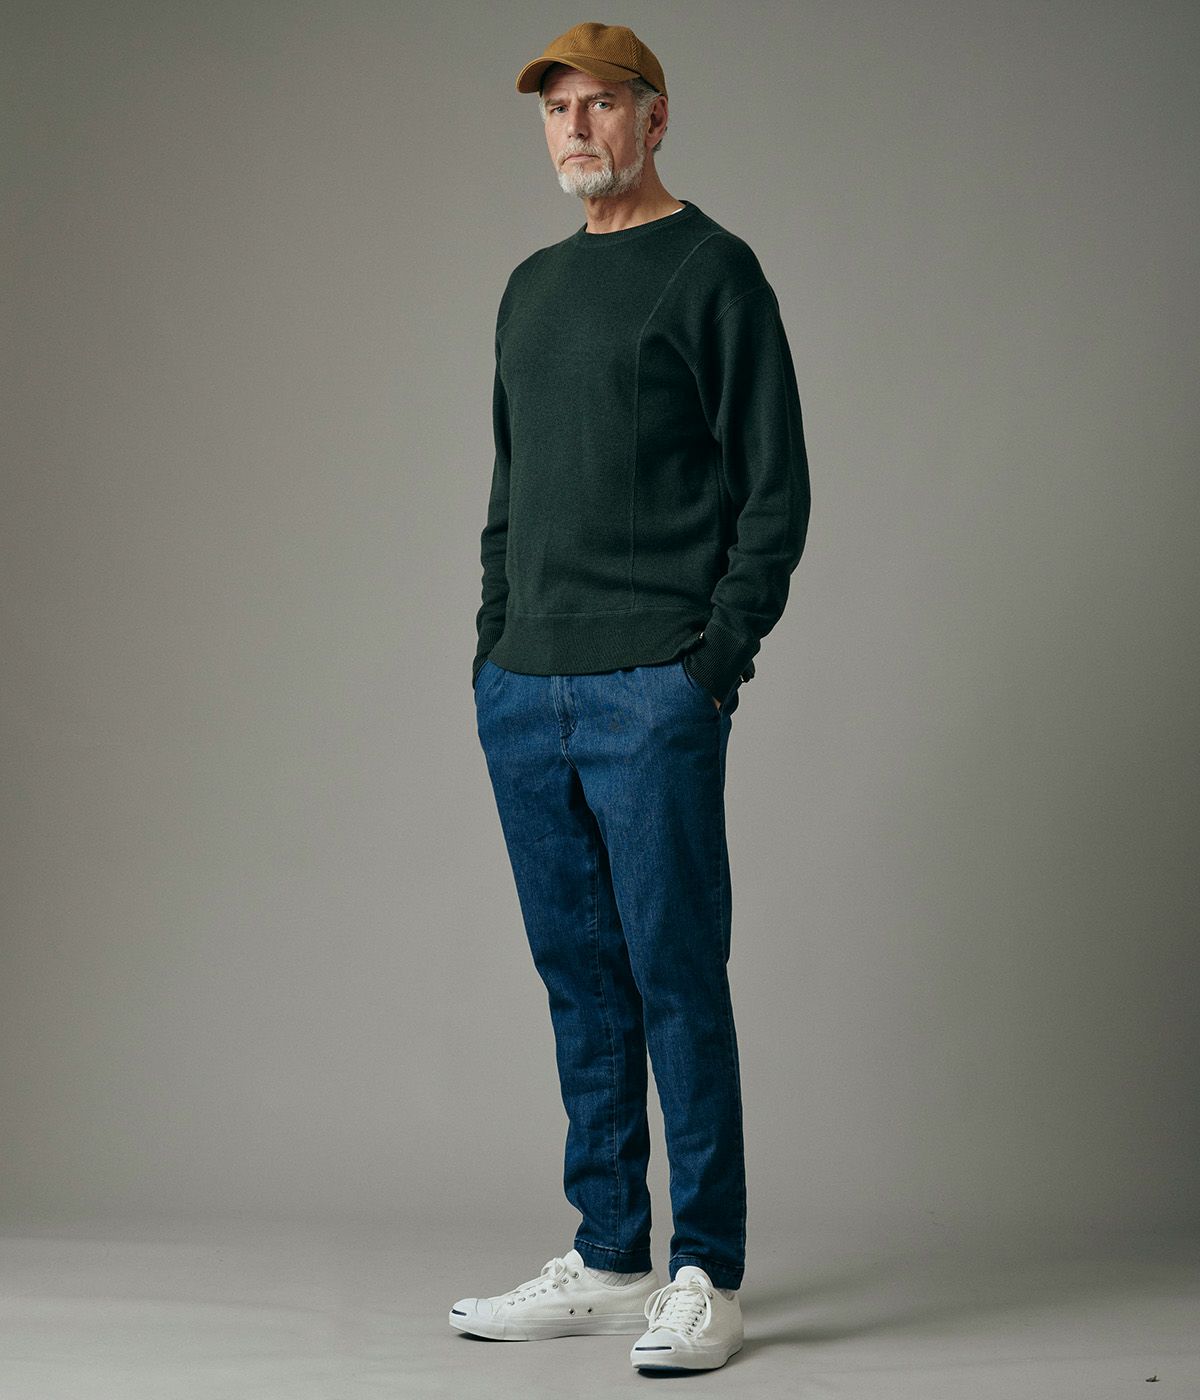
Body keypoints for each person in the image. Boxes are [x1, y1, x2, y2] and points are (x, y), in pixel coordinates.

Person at [450, 21, 811, 1374]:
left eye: (603, 104)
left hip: (652, 688)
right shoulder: (529, 289)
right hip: (524, 688)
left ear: (656, 119)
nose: (577, 128)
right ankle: (609, 1256)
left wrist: (709, 665)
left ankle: (707, 1270)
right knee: (580, 981)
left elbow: (774, 493)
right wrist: (492, 646)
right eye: (558, 108)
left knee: (674, 976)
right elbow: (509, 491)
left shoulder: (715, 272)